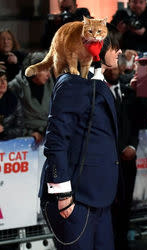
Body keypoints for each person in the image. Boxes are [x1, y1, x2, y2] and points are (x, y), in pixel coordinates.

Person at [38, 23, 122, 249]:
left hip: (99, 197)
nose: (120, 51)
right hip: (75, 198)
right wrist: (63, 195)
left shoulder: (96, 82)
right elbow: (55, 142)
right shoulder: (72, 84)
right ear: (99, 47)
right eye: (115, 46)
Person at [104, 62, 140, 250]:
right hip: (109, 160)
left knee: (126, 204)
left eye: (115, 68)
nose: (112, 71)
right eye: (108, 68)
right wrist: (121, 149)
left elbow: (135, 124)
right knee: (110, 205)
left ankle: (122, 242)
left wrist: (133, 146)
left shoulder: (129, 93)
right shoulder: (99, 94)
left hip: (129, 158)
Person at [8, 52, 54, 144]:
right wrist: (28, 133)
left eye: (49, 70)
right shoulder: (15, 87)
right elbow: (11, 120)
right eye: (45, 70)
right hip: (24, 138)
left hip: (48, 133)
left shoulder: (51, 84)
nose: (48, 75)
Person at [0, 69, 24, 140]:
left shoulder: (14, 100)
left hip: (7, 146)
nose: (3, 83)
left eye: (5, 79)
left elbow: (20, 129)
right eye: (0, 79)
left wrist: (4, 131)